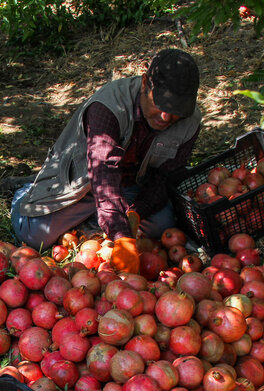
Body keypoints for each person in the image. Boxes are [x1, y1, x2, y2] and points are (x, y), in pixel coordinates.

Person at [10, 49, 202, 273]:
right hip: (85, 183)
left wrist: (136, 212)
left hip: (131, 187)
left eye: (175, 111)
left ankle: (97, 221)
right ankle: (25, 192)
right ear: (144, 84)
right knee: (34, 234)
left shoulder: (190, 123)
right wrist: (122, 236)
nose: (166, 117)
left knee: (163, 225)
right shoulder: (109, 106)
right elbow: (103, 175)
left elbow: (164, 177)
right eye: (160, 105)